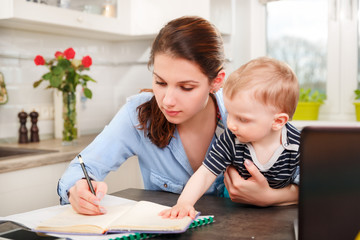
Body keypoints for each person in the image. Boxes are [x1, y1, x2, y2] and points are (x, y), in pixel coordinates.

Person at [57, 16, 299, 216]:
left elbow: (310, 176)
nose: (167, 100)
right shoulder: (138, 114)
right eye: (160, 82)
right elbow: (82, 168)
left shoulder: (243, 112)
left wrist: (271, 197)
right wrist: (77, 190)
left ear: (216, 81)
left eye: (186, 87)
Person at [159, 57, 300, 219]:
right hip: (235, 216)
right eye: (229, 114)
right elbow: (205, 173)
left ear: (277, 121)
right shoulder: (231, 139)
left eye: (242, 119)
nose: (231, 124)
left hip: (281, 218)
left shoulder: (298, 146)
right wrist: (184, 202)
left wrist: (271, 199)